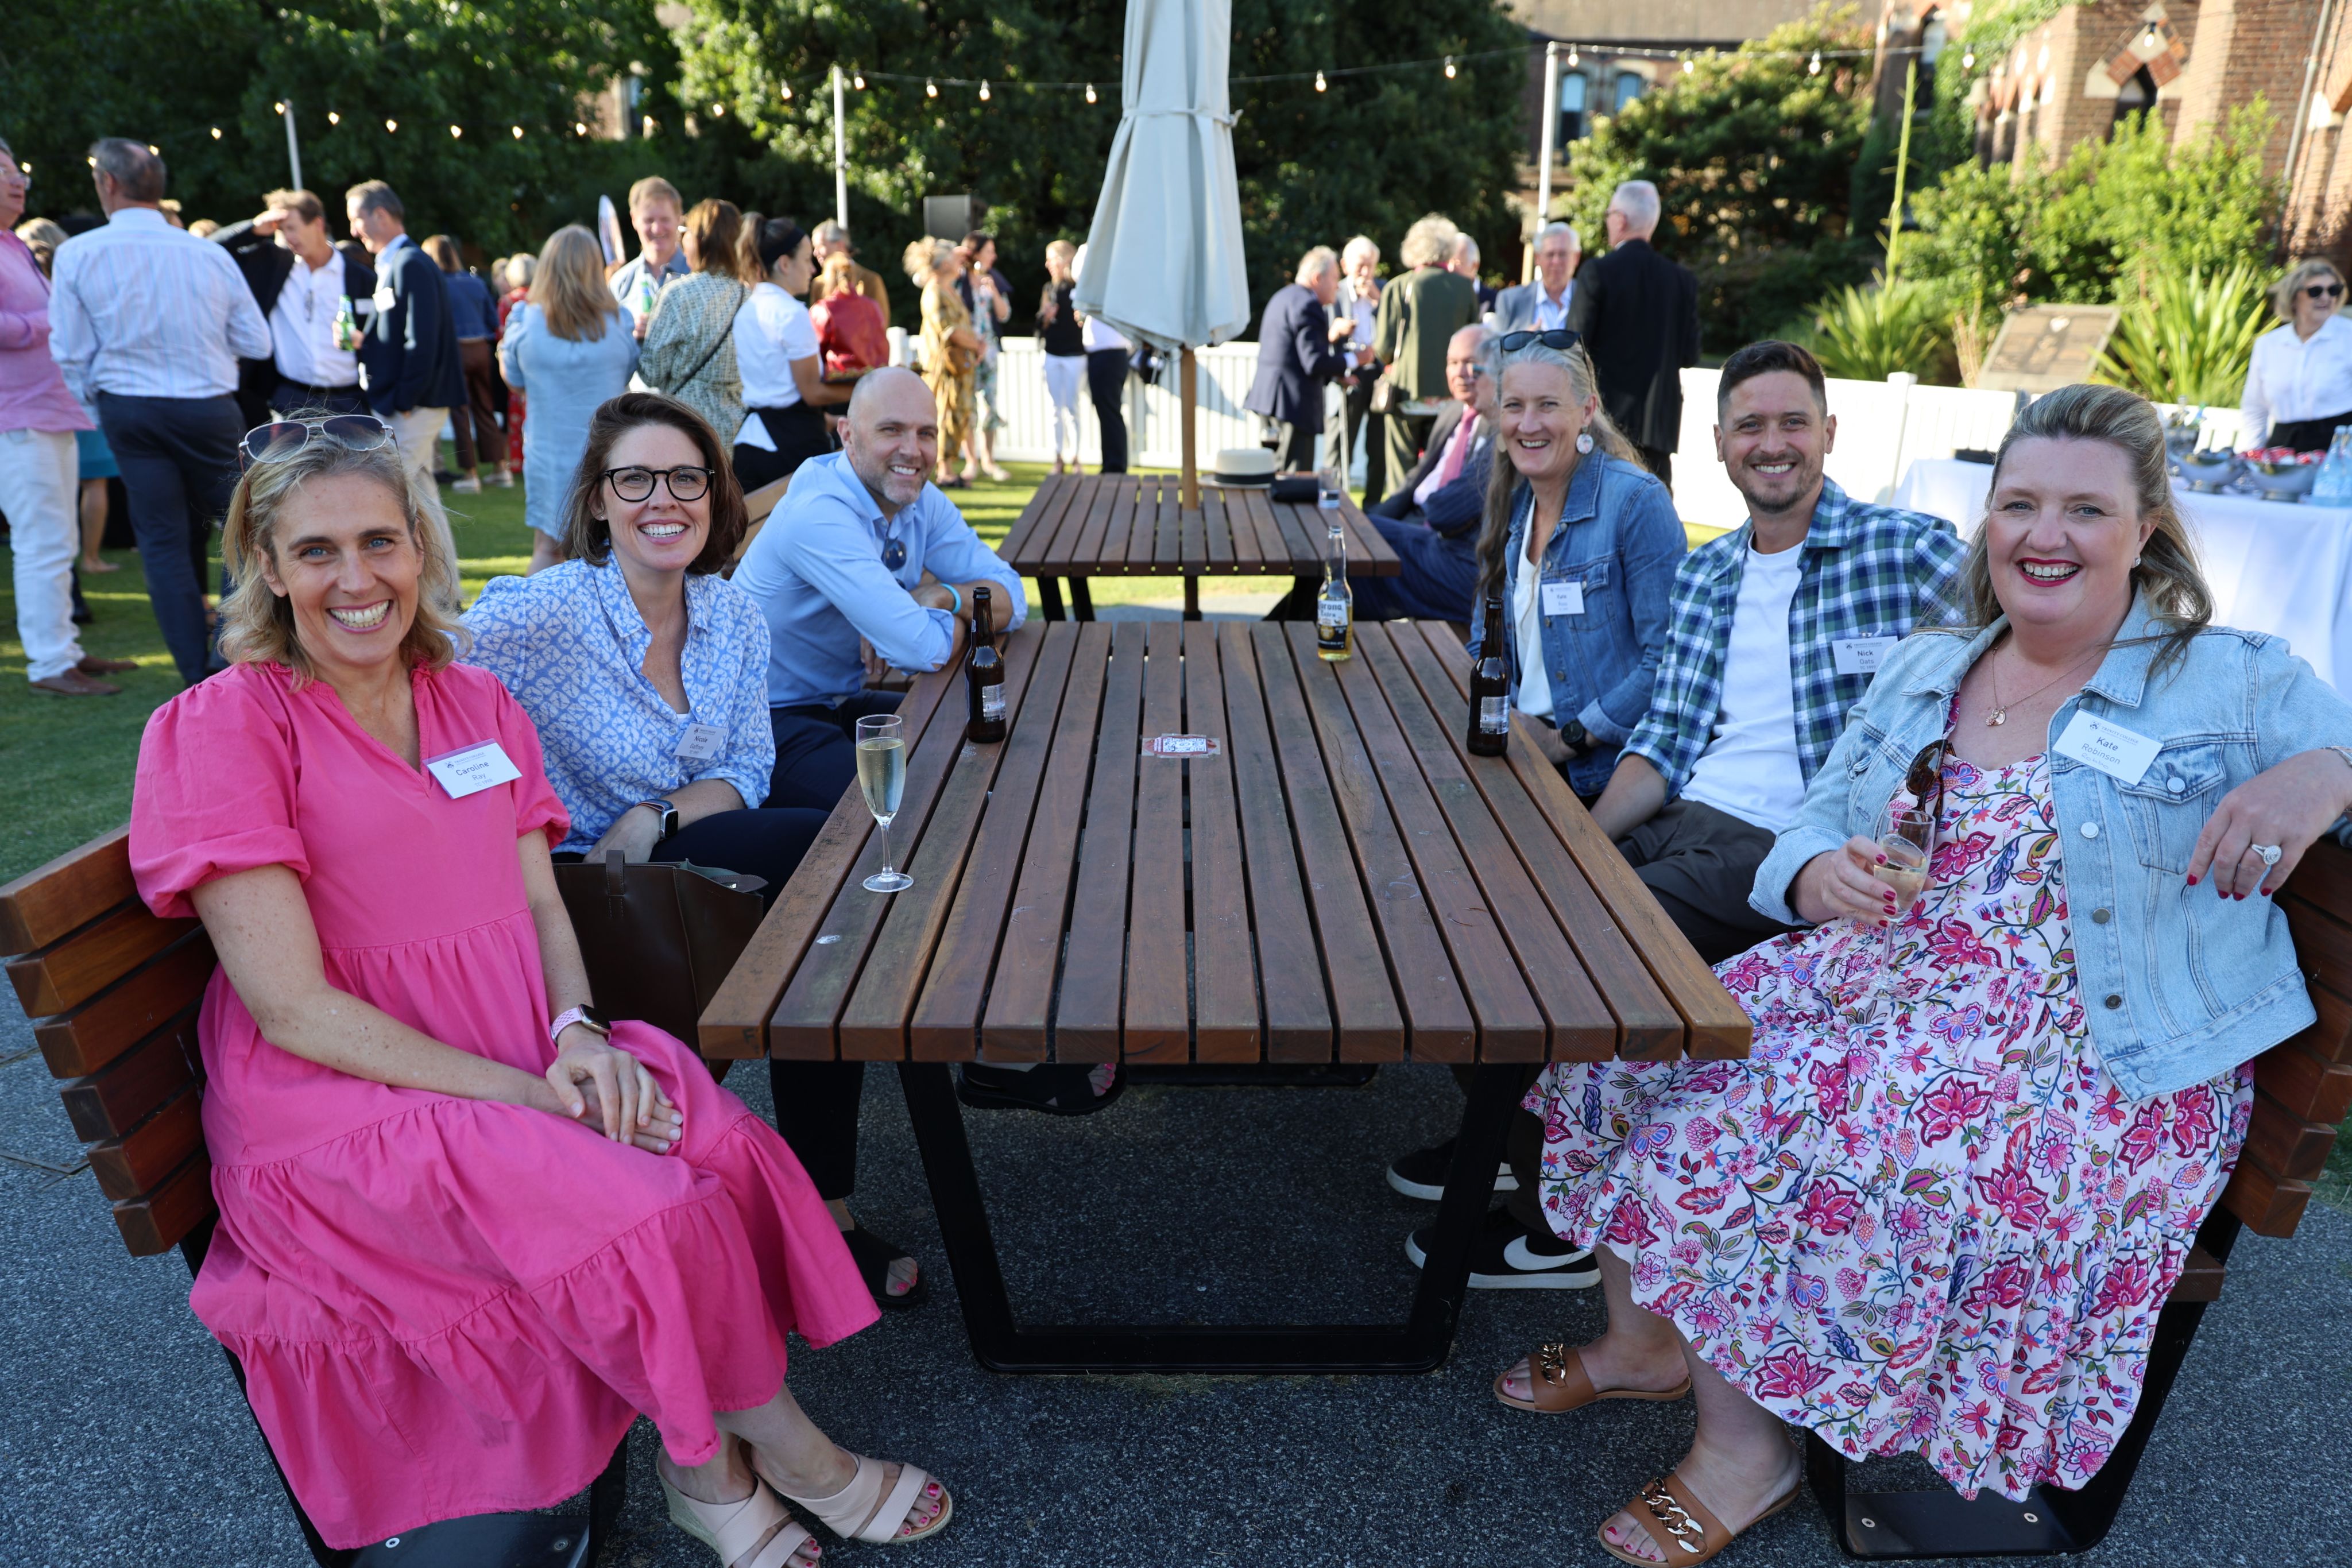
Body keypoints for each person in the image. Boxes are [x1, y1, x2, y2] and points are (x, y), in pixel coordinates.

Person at [1508, 381, 2352, 1566]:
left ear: (2146, 530)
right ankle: (1648, 1344)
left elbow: (2341, 743)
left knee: (1731, 1130)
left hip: (2087, 1058)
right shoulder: (1932, 666)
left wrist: (2321, 775)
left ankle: (1745, 1456)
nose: (2043, 535)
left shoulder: (2228, 676)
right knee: (1625, 1046)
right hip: (1890, 985)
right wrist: (1815, 878)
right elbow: (1811, 824)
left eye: (2084, 510)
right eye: (2018, 504)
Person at [129, 419, 953, 1564]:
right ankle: (778, 1458)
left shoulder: (472, 702)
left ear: (422, 548)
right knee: (645, 1203)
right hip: (346, 1103)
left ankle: (704, 1466)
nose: (356, 579)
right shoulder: (225, 727)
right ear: (267, 566)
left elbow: (543, 907)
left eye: (380, 541)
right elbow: (292, 1009)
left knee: (709, 1138)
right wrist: (530, 1094)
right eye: (316, 551)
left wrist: (576, 1032)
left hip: (518, 1042)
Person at [1385, 340, 1967, 1289]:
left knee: (1569, 962)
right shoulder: (1712, 573)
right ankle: (1516, 1151)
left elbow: (2048, 613)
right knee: (1478, 925)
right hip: (1687, 816)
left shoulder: (1904, 549)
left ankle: (1558, 1222)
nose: (1772, 443)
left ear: (1829, 433)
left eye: (1792, 423)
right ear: (1720, 444)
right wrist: (1578, 847)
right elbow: (1663, 742)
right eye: (1751, 426)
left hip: (1783, 849)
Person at [462, 390, 926, 1312]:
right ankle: (817, 1198)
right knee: (825, 866)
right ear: (598, 499)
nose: (663, 499)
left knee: (825, 888)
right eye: (635, 479)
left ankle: (821, 1198)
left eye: (686, 478)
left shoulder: (732, 615)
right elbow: (415, 655)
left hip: (674, 862)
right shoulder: (547, 611)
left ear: (716, 494)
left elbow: (748, 766)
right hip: (581, 895)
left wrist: (658, 813)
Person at [733, 366, 1117, 1117]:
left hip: (833, 702)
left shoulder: (914, 498)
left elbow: (1012, 593)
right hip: (763, 722)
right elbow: (918, 646)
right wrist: (943, 613)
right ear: (846, 436)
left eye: (926, 433)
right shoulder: (821, 511)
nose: (913, 449)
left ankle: (995, 1007)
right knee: (921, 813)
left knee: (1012, 762)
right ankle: (967, 1031)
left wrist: (940, 593)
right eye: (892, 431)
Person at [49, 138, 270, 686]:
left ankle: (198, 673)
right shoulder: (207, 254)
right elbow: (257, 341)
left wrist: (102, 408)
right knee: (245, 527)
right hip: (207, 406)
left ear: (107, 183)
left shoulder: (78, 253)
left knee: (164, 542)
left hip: (129, 409)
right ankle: (229, 653)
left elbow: (70, 353)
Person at [1, 136, 136, 696]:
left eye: (17, 171)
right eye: (4, 171)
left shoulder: (13, 244)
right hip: (16, 417)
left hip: (49, 411)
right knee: (41, 540)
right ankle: (49, 664)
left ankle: (65, 650)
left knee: (57, 538)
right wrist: (49, 321)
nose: (18, 181)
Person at [500, 226, 640, 574]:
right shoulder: (618, 321)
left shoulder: (525, 320)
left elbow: (515, 381)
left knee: (548, 549)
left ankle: (540, 614)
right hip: (607, 453)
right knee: (612, 551)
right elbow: (624, 375)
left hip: (549, 452)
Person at [344, 180, 463, 583]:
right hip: (406, 401)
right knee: (423, 498)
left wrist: (406, 398)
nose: (354, 230)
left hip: (414, 403)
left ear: (380, 215)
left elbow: (421, 339)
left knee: (396, 496)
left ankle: (428, 590)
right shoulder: (397, 262)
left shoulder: (410, 262)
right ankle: (444, 591)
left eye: (357, 219)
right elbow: (398, 334)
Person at [1355, 324, 1496, 624]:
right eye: (1453, 363)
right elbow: (1415, 482)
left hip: (1449, 543)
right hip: (1418, 522)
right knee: (1346, 541)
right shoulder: (1452, 413)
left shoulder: (1503, 429)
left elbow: (1451, 508)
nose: (1462, 373)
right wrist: (1367, 519)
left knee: (1351, 555)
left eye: (1472, 364)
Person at [1567, 180, 1700, 489]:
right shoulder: (1682, 280)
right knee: (1654, 511)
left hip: (1603, 424)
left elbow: (1576, 349)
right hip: (1658, 429)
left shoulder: (1597, 272)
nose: (1608, 221)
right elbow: (1690, 355)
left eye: (1609, 214)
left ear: (1621, 220)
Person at [210, 189, 376, 426]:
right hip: (290, 401)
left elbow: (380, 338)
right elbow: (211, 249)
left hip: (349, 401)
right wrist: (254, 228)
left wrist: (364, 341)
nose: (287, 237)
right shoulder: (274, 265)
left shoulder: (360, 277)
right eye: (281, 230)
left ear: (317, 224)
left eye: (291, 228)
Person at [732, 218, 850, 492]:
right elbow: (812, 393)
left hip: (750, 441)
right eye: (807, 259)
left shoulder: (747, 310)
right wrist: (864, 386)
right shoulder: (791, 312)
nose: (813, 269)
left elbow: (777, 391)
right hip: (792, 446)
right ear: (785, 264)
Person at [1373, 214, 1481, 500]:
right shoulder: (1464, 288)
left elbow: (1383, 348)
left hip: (1406, 392)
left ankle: (1397, 516)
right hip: (1450, 395)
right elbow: (1473, 342)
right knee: (1441, 466)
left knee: (1401, 471)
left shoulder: (1398, 286)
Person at [640, 199, 755, 443]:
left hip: (685, 428)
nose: (681, 241)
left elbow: (651, 373)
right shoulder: (749, 297)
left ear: (700, 240)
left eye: (685, 233)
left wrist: (643, 337)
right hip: (736, 431)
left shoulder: (678, 295)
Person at [1244, 246, 1352, 472]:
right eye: (1335, 278)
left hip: (1271, 401)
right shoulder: (1308, 304)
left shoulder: (1283, 296)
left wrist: (1335, 373)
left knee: (1273, 472)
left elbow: (1294, 353)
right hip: (1292, 405)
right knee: (1293, 478)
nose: (1338, 285)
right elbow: (1313, 362)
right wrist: (1354, 360)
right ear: (1317, 278)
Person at [2239, 258, 2352, 453]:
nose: (2326, 297)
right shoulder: (2268, 344)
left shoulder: (2348, 336)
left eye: (2334, 290)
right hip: (2282, 448)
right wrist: (2254, 454)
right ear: (2293, 296)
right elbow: (2255, 407)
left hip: (2340, 450)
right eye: (2315, 291)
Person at [422, 235, 506, 493]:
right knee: (485, 408)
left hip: (455, 351)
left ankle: (471, 475)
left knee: (460, 412)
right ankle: (500, 469)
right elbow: (493, 320)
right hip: (481, 349)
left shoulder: (436, 284)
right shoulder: (475, 282)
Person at [907, 237, 981, 490]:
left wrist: (975, 346)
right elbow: (949, 331)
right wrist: (976, 345)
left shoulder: (949, 289)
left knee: (958, 414)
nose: (959, 262)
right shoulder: (935, 292)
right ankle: (944, 471)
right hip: (945, 368)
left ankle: (947, 468)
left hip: (960, 367)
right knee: (945, 414)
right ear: (943, 264)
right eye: (953, 258)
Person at [954, 231, 1013, 483]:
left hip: (989, 354)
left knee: (991, 407)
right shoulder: (957, 279)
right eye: (989, 251)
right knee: (968, 408)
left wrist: (994, 291)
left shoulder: (993, 279)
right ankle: (972, 462)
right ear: (975, 253)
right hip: (966, 353)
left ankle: (989, 460)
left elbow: (1004, 314)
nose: (994, 256)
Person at [1334, 235, 1385, 499]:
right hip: (1347, 376)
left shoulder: (1384, 292)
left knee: (1379, 448)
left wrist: (1378, 301)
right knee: (1342, 445)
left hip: (1380, 378)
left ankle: (1374, 507)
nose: (1365, 273)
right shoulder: (1335, 292)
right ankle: (1336, 500)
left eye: (1370, 266)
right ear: (1345, 266)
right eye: (1360, 266)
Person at [609, 176, 691, 340]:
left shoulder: (697, 274)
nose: (657, 229)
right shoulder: (620, 283)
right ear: (634, 220)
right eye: (649, 220)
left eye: (665, 220)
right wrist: (627, 332)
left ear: (679, 218)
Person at [1073, 241, 1131, 475]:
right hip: (1108, 351)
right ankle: (1112, 465)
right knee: (1108, 411)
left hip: (1109, 352)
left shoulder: (1105, 266)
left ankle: (1114, 467)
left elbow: (1079, 274)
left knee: (1109, 411)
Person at [1038, 239, 1085, 474]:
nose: (1048, 265)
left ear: (1066, 260)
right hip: (1052, 354)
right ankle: (1058, 458)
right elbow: (1040, 325)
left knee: (1072, 407)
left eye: (1052, 259)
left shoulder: (1080, 287)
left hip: (1075, 354)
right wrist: (1046, 317)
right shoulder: (1049, 289)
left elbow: (1085, 321)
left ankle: (1076, 458)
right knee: (1055, 409)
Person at [811, 253, 888, 386]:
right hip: (873, 380)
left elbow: (814, 352)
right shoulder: (872, 305)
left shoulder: (824, 309)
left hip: (839, 383)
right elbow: (882, 347)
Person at [1495, 222, 1580, 335]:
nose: (1556, 261)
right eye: (1550, 254)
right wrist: (1522, 340)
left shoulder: (1591, 299)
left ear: (1576, 257)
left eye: (1562, 254)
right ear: (1537, 258)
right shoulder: (1510, 300)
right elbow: (1495, 345)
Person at [811, 219, 890, 328]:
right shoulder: (818, 284)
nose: (815, 253)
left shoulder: (871, 280)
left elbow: (880, 325)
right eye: (814, 248)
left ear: (840, 245)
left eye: (821, 246)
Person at [496, 250, 531, 472]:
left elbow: (502, 334)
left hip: (515, 364)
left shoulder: (508, 301)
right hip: (537, 363)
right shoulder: (541, 298)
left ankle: (518, 461)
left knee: (516, 414)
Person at [1450, 233, 1497, 314]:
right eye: (1449, 263)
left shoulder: (1495, 300)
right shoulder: (1441, 296)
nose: (1451, 269)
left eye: (1458, 264)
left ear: (1475, 266)